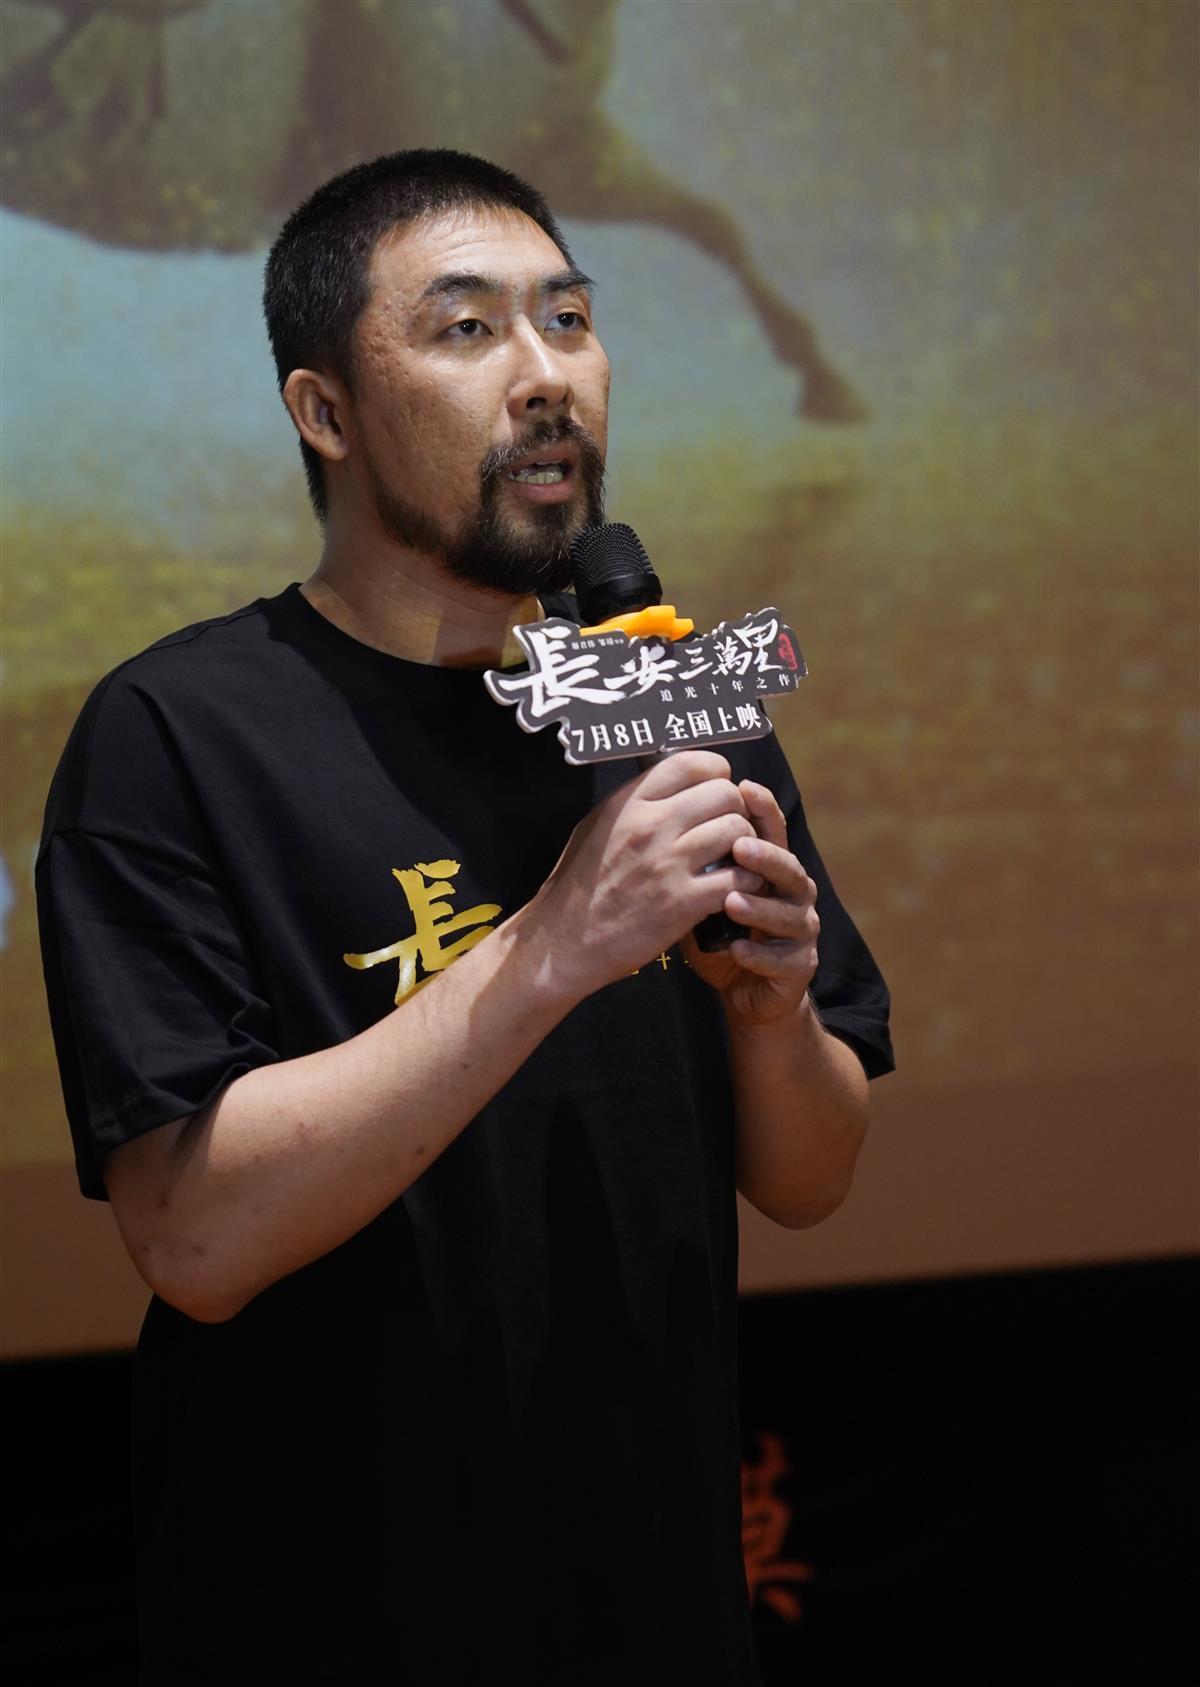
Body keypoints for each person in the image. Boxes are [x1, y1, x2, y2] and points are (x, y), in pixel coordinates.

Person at [37, 150, 893, 1686]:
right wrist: (553, 946)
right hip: (328, 1623)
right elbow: (196, 1240)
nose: (545, 375)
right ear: (325, 412)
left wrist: (773, 1014)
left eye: (569, 320)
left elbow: (812, 1178)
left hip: (660, 1608)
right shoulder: (179, 732)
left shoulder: (666, 701)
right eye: (468, 330)